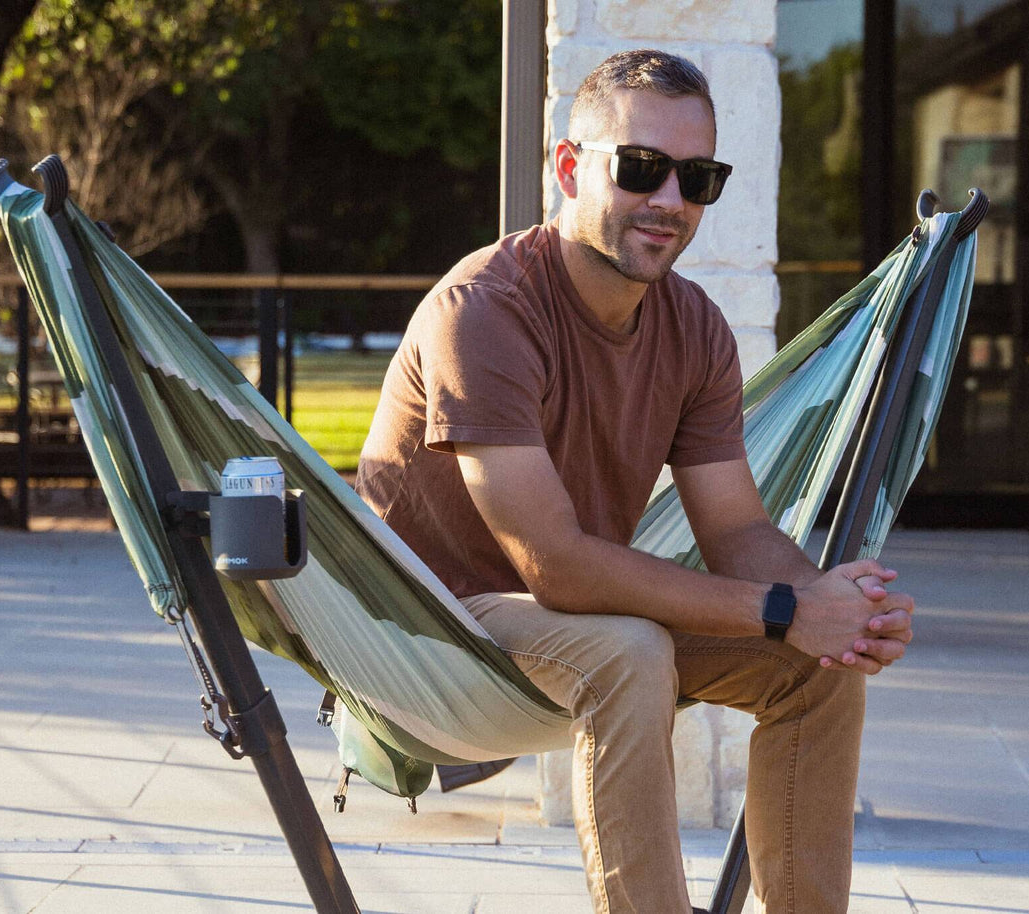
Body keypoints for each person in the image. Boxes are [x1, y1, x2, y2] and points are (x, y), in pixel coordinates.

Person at [355, 48, 914, 914]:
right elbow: (556, 568)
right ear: (571, 167)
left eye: (697, 178)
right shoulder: (486, 312)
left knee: (820, 671)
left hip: (576, 626)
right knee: (632, 649)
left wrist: (834, 608)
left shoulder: (693, 328)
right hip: (433, 633)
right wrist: (784, 610)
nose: (669, 201)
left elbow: (734, 531)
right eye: (642, 168)